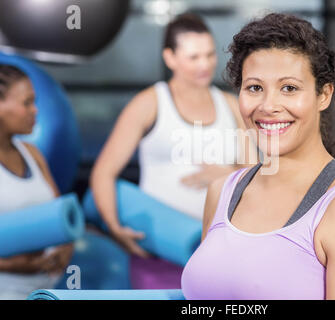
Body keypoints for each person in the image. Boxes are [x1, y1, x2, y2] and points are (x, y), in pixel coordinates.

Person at [181, 13, 335, 300]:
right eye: (254, 88)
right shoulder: (222, 193)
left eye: (289, 88)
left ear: (324, 95)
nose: (268, 106)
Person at [90, 13, 250, 289]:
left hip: (217, 251)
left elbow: (258, 175)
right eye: (194, 57)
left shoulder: (232, 106)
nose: (205, 64)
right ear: (170, 58)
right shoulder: (149, 103)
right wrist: (114, 226)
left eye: (210, 55)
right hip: (159, 249)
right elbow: (104, 172)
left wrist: (226, 173)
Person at [0, 64, 73, 300]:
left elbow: (60, 217)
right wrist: (11, 266)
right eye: (27, 103)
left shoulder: (32, 153)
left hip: (46, 290)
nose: (35, 110)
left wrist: (64, 249)